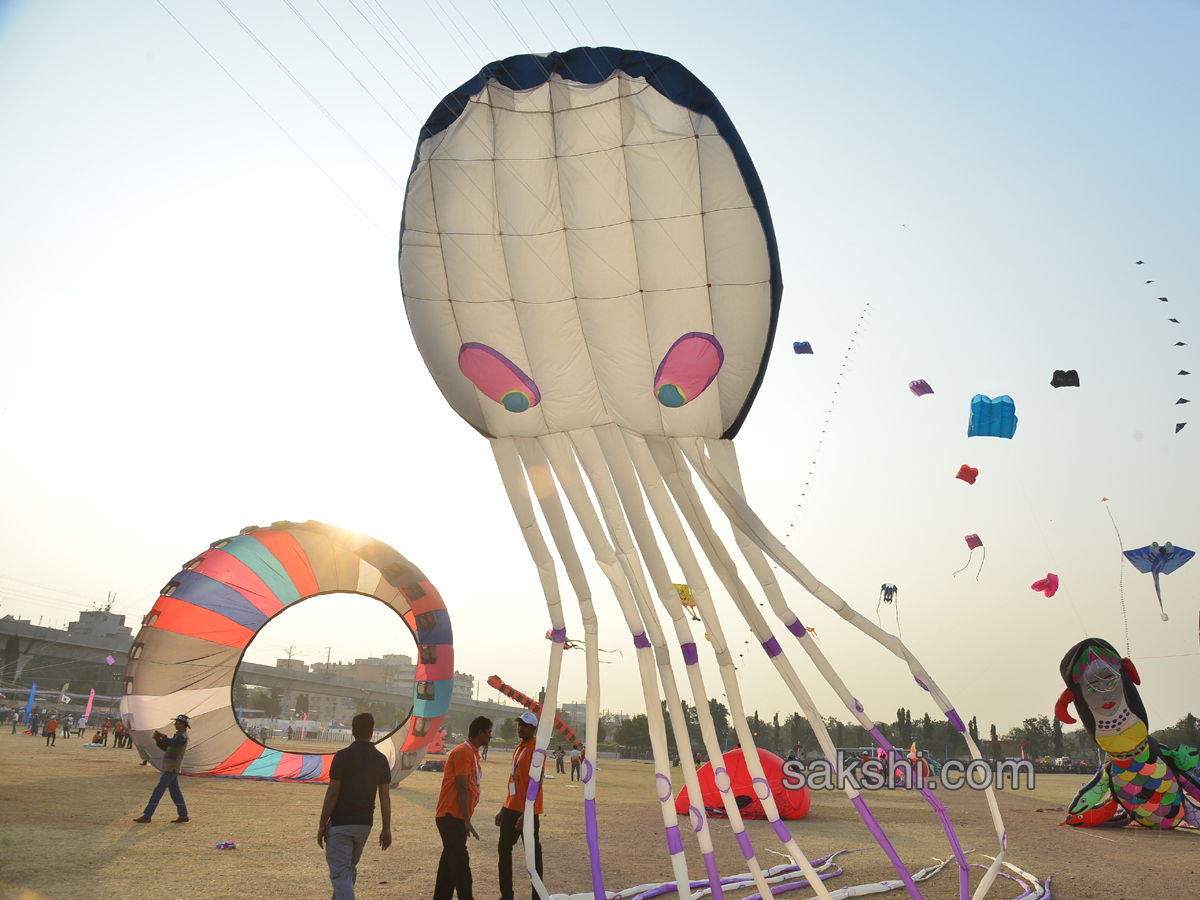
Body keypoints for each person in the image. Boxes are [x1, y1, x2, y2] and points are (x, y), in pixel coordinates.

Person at [317, 712, 392, 900]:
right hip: (364, 824)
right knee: (347, 870)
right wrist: (386, 828)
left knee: (341, 873)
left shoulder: (343, 756)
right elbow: (385, 798)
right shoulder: (381, 759)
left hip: (341, 822)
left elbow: (333, 793)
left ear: (352, 731)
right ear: (372, 732)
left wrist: (321, 824)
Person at [433, 715, 492, 900]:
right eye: (489, 732)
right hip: (450, 815)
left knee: (449, 865)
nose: (491, 736)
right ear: (480, 733)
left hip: (456, 816)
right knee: (460, 863)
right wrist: (467, 820)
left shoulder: (473, 753)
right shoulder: (462, 752)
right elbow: (461, 787)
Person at [496, 711, 544, 900]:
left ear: (533, 728)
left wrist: (527, 814)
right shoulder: (519, 747)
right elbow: (513, 781)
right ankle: (506, 895)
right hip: (511, 808)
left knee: (533, 855)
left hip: (527, 811)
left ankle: (537, 896)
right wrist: (503, 807)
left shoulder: (536, 749)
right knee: (503, 851)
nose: (520, 728)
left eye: (524, 725)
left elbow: (536, 782)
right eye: (519, 725)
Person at [133, 715, 191, 824]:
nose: (175, 724)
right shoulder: (178, 736)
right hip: (170, 767)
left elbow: (172, 743)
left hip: (171, 768)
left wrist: (163, 737)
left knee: (158, 792)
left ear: (183, 725)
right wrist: (158, 741)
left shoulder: (182, 736)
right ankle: (183, 815)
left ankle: (147, 815)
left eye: (177, 723)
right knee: (175, 793)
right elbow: (166, 747)